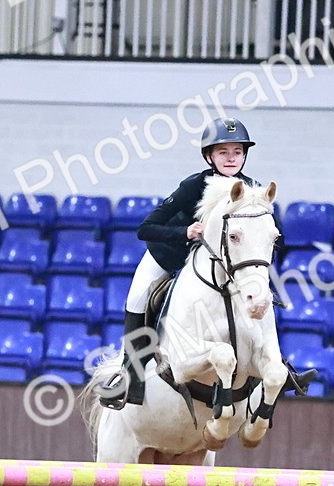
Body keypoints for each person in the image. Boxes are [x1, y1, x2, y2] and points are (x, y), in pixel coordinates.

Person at [97, 116, 316, 409]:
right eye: (223, 152)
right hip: (172, 256)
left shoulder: (253, 188)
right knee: (138, 296)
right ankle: (129, 375)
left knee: (261, 298)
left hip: (225, 267)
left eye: (237, 152)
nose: (231, 158)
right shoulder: (193, 186)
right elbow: (147, 227)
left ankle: (278, 366)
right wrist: (185, 231)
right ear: (209, 155)